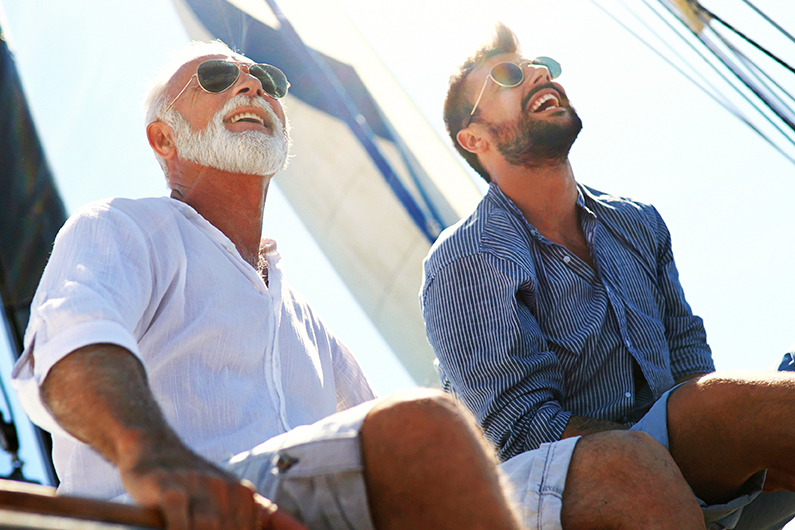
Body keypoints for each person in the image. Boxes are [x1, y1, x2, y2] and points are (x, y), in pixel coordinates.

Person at [9, 40, 706, 530]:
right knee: (425, 427)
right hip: (159, 511)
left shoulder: (307, 322)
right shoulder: (124, 230)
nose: (253, 86)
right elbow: (71, 345)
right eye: (218, 77)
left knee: (623, 469)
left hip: (318, 506)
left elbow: (384, 435)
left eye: (267, 81)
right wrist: (155, 459)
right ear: (163, 140)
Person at [421, 21, 795, 530]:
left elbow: (690, 368)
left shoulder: (639, 223)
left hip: (700, 487)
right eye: (507, 75)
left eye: (541, 66)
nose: (536, 73)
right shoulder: (467, 257)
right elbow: (520, 431)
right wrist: (691, 448)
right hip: (577, 497)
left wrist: (739, 451)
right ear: (475, 137)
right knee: (740, 410)